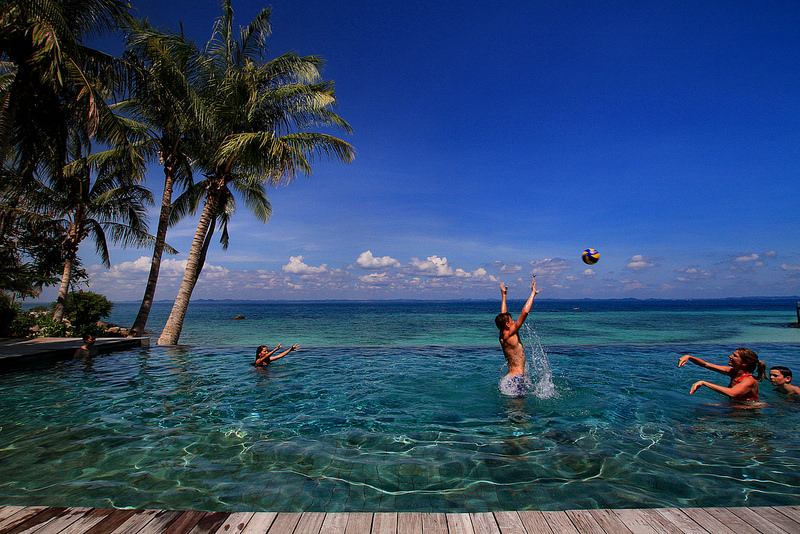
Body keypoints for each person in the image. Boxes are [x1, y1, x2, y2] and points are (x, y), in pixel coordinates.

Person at [495, 276, 539, 396]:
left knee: (513, 410)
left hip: (509, 378)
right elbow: (524, 312)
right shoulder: (511, 332)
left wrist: (504, 295)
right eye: (512, 320)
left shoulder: (502, 334)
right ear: (508, 325)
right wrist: (533, 294)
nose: (514, 322)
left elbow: (503, 315)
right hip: (517, 379)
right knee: (519, 411)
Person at [677, 348, 766, 402]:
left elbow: (732, 393)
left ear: (744, 363)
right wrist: (689, 357)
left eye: (734, 356)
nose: (730, 356)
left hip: (748, 412)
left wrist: (704, 383)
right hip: (736, 406)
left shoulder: (748, 380)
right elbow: (705, 364)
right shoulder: (732, 371)